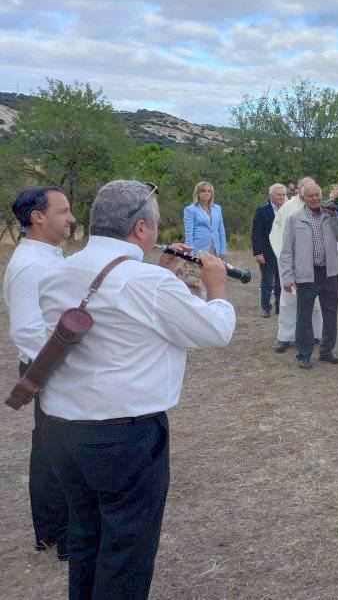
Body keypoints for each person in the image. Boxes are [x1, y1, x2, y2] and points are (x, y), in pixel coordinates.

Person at [37, 180, 235, 600]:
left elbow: (118, 320)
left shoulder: (59, 272)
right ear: (141, 229)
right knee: (126, 551)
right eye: (156, 225)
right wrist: (217, 286)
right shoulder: (146, 283)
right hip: (124, 436)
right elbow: (215, 330)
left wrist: (162, 274)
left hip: (63, 429)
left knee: (88, 538)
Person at [3, 186, 74, 559]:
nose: (71, 218)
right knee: (55, 452)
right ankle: (60, 535)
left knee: (50, 449)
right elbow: (29, 331)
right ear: (38, 217)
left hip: (50, 362)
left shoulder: (46, 255)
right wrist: (58, 368)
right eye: (63, 212)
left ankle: (50, 530)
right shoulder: (32, 264)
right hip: (47, 364)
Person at [279, 182, 338, 370]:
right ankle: (304, 354)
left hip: (330, 273)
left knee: (330, 314)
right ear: (303, 198)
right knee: (304, 316)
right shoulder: (294, 219)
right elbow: (286, 251)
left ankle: (327, 351)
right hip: (306, 274)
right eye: (311, 196)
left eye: (318, 195)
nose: (316, 199)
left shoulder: (330, 216)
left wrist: (335, 217)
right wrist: (287, 277)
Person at [269, 177, 322, 353]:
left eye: (312, 187)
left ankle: (315, 333)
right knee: (288, 301)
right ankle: (285, 336)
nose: (309, 191)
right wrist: (285, 262)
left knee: (316, 302)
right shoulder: (288, 209)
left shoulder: (320, 207)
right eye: (305, 187)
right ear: (299, 190)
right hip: (293, 263)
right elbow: (277, 236)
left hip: (315, 264)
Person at [251, 183, 287, 317]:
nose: (282, 197)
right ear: (271, 195)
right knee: (267, 281)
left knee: (281, 281)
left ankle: (280, 306)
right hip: (266, 252)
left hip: (283, 251)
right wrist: (258, 252)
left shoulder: (287, 210)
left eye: (284, 195)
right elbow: (256, 233)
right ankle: (265, 307)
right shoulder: (262, 211)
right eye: (279, 195)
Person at [183, 181, 227, 260]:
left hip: (215, 249)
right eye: (203, 191)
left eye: (209, 191)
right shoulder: (190, 209)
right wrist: (190, 254)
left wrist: (223, 251)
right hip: (198, 250)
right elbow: (188, 234)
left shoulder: (217, 208)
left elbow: (221, 231)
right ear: (197, 193)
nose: (206, 193)